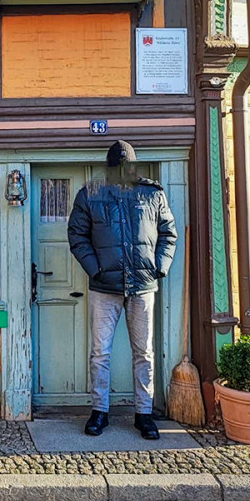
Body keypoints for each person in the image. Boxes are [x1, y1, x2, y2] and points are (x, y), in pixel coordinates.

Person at [67, 140, 178, 440]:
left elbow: (168, 232)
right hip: (104, 287)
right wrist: (96, 268)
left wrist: (159, 267)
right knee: (99, 353)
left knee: (144, 353)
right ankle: (99, 411)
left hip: (142, 286)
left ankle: (144, 414)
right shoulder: (90, 194)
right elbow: (76, 235)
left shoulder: (152, 193)